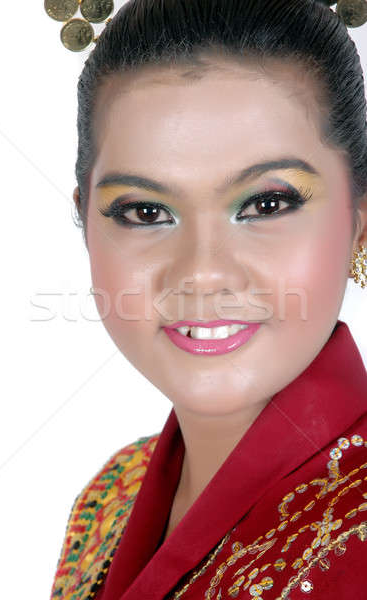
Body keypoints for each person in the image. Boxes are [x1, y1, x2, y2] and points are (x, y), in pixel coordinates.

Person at [47, 0, 367, 598]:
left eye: (266, 205)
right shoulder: (110, 494)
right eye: (146, 212)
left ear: (360, 220)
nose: (202, 273)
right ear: (85, 220)